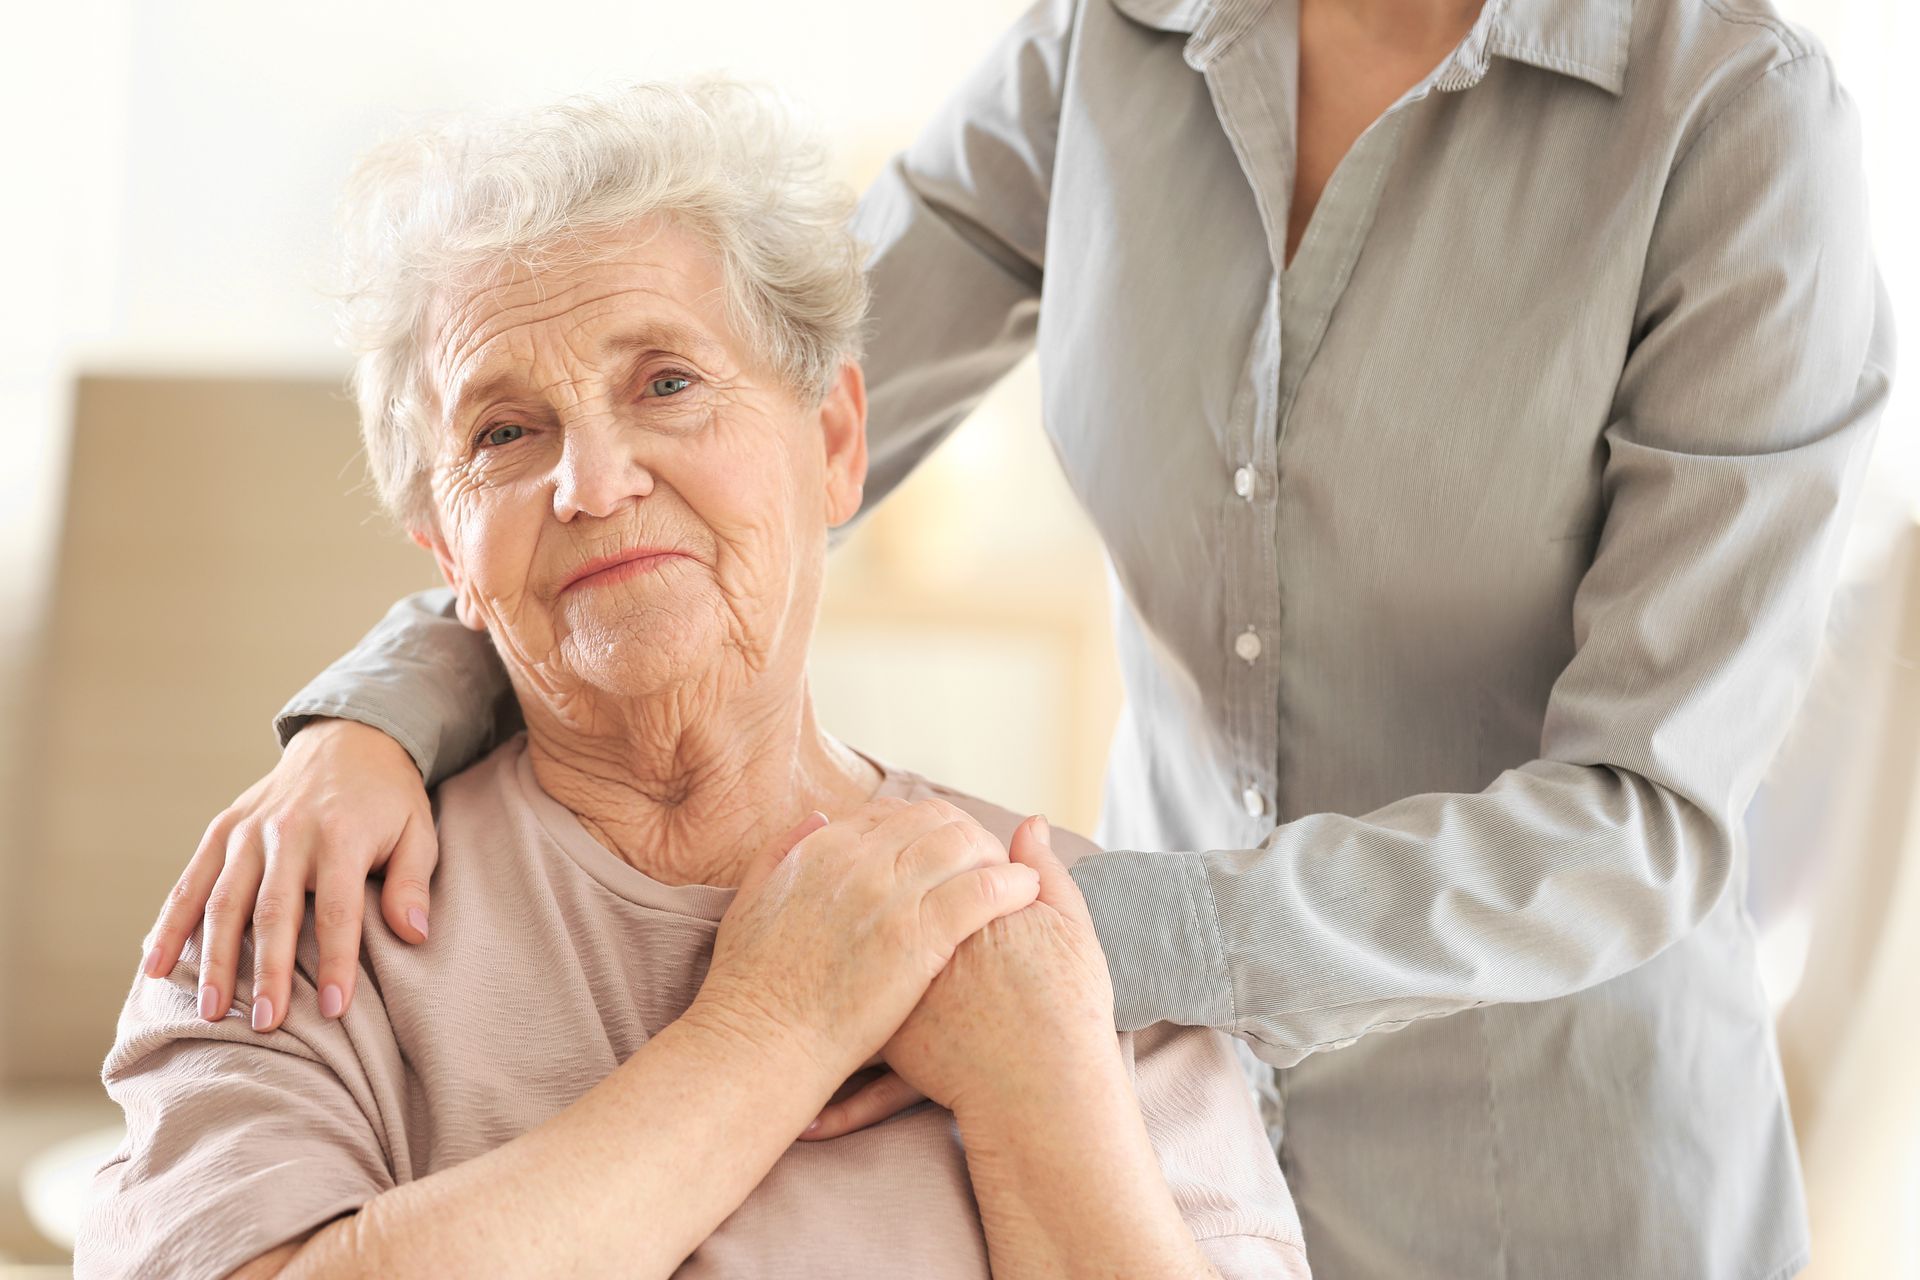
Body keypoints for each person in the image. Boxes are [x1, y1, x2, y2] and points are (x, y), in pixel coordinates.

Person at [142, 0, 1894, 1275]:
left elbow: (1648, 811)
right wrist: (387, 708)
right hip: (1087, 1031)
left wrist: (1063, 946)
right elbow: (702, 429)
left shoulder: (1733, 121)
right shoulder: (1112, 43)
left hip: (1526, 1170)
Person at [76, 82, 1309, 1279]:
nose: (594, 482)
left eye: (666, 382)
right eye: (506, 432)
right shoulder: (293, 906)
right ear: (446, 546)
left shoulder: (1062, 940)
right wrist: (770, 1028)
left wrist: (1047, 1094)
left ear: (833, 445)